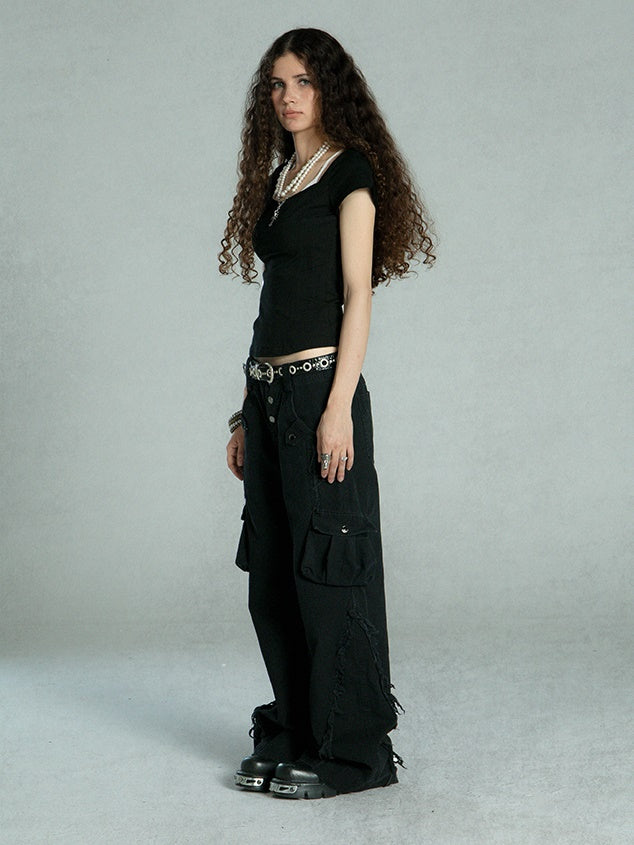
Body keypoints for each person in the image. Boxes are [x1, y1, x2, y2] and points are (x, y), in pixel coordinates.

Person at [219, 27, 436, 799]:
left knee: (329, 574)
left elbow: (357, 295)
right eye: (277, 84)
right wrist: (244, 411)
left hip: (320, 394)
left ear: (329, 89)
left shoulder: (350, 173)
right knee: (273, 575)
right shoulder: (282, 178)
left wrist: (338, 405)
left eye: (303, 81)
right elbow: (273, 305)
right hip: (269, 396)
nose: (288, 96)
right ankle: (294, 730)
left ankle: (354, 751)